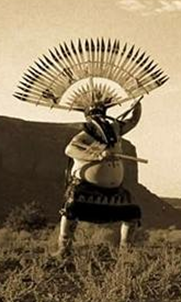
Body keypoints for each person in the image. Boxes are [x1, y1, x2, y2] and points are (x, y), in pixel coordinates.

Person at [56, 100, 143, 255]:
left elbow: (132, 122)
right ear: (89, 117)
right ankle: (64, 249)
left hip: (114, 190)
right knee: (71, 209)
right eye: (95, 114)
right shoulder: (86, 134)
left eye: (101, 113)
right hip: (88, 187)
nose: (100, 117)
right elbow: (70, 149)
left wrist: (137, 108)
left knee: (132, 213)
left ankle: (125, 250)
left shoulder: (115, 130)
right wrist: (97, 155)